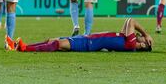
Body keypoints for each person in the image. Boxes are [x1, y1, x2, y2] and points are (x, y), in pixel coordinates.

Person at [9, 18, 153, 52]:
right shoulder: (127, 40)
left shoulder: (131, 43)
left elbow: (131, 20)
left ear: (144, 44)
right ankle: (22, 45)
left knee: (58, 44)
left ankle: (24, 49)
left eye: (144, 40)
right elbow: (126, 25)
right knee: (53, 40)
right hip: (87, 39)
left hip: (88, 44)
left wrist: (145, 34)